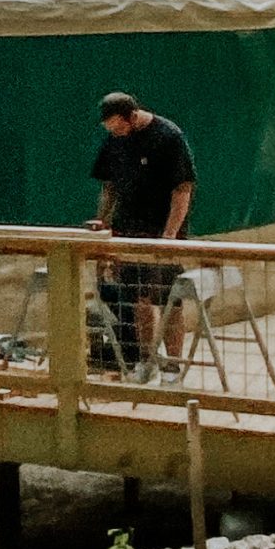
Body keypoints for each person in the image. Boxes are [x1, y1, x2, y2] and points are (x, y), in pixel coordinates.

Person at [86, 91, 196, 382]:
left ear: (132, 117)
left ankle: (173, 366)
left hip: (161, 231)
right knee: (139, 301)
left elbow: (182, 188)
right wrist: (103, 219)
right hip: (128, 231)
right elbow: (108, 186)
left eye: (118, 127)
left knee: (169, 300)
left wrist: (169, 235)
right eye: (110, 129)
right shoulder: (114, 140)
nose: (116, 134)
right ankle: (146, 359)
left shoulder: (168, 137)